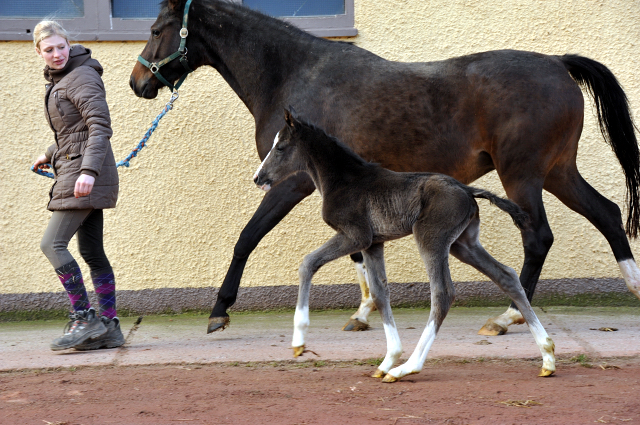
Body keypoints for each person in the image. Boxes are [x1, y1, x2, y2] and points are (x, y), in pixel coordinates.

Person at [31, 21, 123, 351]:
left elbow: (99, 127)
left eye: (61, 47)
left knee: (52, 244)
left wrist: (87, 172)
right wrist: (50, 153)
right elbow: (75, 132)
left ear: (69, 45)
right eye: (49, 49)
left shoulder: (81, 75)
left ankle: (84, 318)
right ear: (38, 52)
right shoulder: (63, 79)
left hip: (84, 175)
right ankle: (109, 328)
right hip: (78, 169)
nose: (56, 54)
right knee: (92, 252)